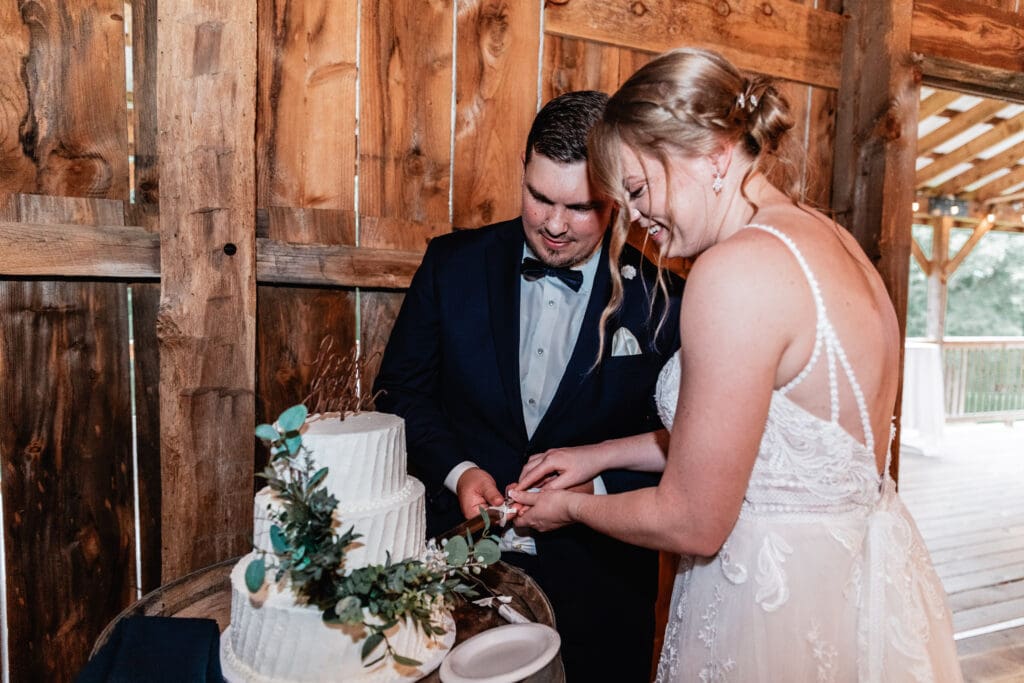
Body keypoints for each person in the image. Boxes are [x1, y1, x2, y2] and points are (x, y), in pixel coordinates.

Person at [509, 49, 963, 681]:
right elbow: (767, 442)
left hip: (770, 605)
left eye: (638, 191)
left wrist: (573, 508)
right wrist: (602, 454)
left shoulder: (736, 270)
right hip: (851, 586)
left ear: (715, 155)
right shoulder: (830, 241)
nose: (635, 221)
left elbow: (694, 520)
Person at [373, 90, 683, 681]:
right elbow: (399, 393)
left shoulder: (666, 299)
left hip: (600, 588)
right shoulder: (451, 263)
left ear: (617, 199)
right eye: (540, 197)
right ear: (522, 172)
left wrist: (595, 492)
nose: (555, 225)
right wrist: (459, 471)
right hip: (454, 578)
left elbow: (686, 443)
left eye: (581, 207)